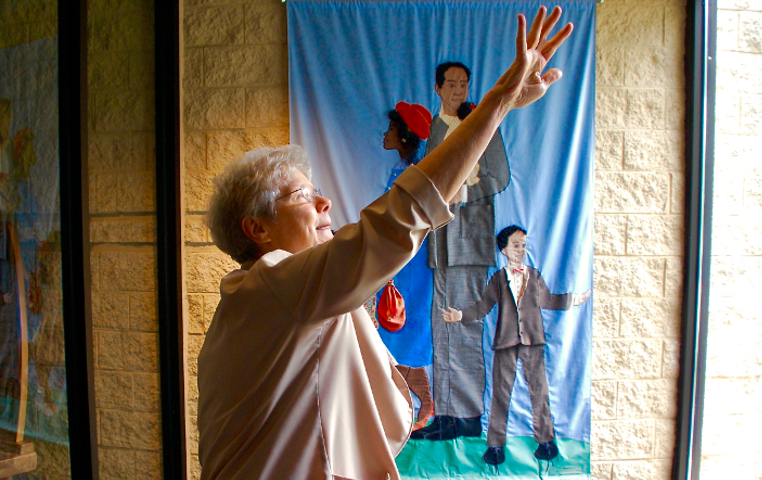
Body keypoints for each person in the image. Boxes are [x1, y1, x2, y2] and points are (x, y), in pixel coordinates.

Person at [197, 7, 573, 479]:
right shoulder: (272, 284)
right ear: (258, 230)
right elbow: (404, 215)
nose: (325, 202)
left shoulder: (282, 295)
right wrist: (497, 101)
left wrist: (496, 115)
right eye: (302, 196)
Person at [411, 60, 511, 441]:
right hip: (440, 240)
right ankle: (446, 413)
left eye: (463, 84)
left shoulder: (484, 123)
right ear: (437, 88)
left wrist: (464, 193)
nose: (458, 90)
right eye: (450, 84)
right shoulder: (434, 129)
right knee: (443, 327)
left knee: (465, 326)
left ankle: (467, 416)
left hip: (470, 238)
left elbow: (499, 177)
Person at [442, 225, 591, 466]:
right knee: (501, 394)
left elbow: (548, 300)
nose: (521, 250)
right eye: (515, 245)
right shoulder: (498, 279)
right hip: (506, 342)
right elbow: (483, 306)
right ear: (504, 250)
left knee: (539, 392)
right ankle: (495, 447)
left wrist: (574, 300)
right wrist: (459, 315)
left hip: (533, 341)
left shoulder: (534, 275)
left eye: (523, 245)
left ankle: (545, 442)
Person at [378, 101, 435, 429]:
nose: (385, 135)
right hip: (403, 264)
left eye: (391, 129)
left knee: (402, 334)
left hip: (410, 267)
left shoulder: (412, 173)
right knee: (399, 336)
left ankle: (419, 409)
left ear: (404, 136)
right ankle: (420, 408)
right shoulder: (404, 169)